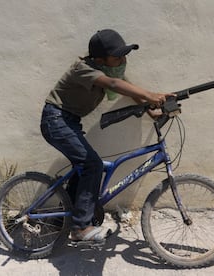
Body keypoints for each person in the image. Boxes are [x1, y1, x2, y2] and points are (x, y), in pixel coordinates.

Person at [40, 29, 172, 242]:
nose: (123, 60)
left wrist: (151, 110)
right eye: (118, 56)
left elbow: (127, 89)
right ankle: (80, 228)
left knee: (84, 167)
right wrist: (151, 95)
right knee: (92, 165)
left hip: (69, 121)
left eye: (124, 55)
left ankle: (64, 219)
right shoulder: (83, 69)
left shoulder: (109, 70)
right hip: (55, 120)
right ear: (100, 59)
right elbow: (113, 85)